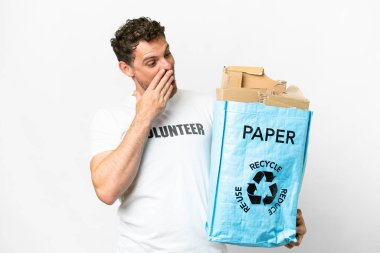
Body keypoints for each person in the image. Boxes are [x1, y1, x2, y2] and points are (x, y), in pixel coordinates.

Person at [89, 17, 306, 253]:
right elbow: (107, 190)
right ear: (126, 68)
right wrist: (144, 116)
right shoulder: (112, 118)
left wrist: (278, 219)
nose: (166, 66)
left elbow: (245, 172)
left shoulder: (209, 107)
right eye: (152, 62)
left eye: (167, 54)